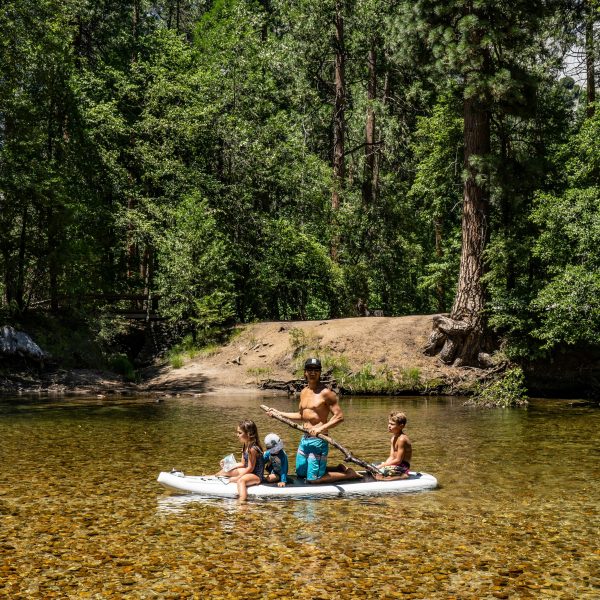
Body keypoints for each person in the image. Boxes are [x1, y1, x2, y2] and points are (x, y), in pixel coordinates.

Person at [268, 357, 360, 484]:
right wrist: (278, 413)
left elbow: (339, 417)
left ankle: (348, 474)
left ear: (320, 372)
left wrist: (320, 429)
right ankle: (337, 468)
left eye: (316, 369)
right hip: (305, 438)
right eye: (310, 369)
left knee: (313, 479)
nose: (312, 372)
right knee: (300, 473)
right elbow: (301, 415)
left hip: (319, 440)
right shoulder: (304, 391)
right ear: (305, 372)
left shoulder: (326, 393)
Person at [216, 419, 265, 501]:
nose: (237, 435)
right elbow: (242, 463)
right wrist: (227, 464)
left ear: (248, 434)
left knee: (241, 481)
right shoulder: (245, 445)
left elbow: (250, 468)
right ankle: (210, 477)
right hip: (248, 470)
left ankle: (242, 501)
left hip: (256, 475)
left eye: (240, 433)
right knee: (225, 471)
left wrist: (237, 477)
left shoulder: (252, 449)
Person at [374, 411, 412, 481]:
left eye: (392, 424)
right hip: (395, 464)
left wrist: (382, 466)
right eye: (389, 423)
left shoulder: (402, 439)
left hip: (403, 466)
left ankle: (403, 475)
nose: (389, 426)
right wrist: (384, 465)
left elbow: (398, 460)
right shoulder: (393, 438)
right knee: (373, 466)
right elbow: (391, 457)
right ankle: (384, 474)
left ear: (401, 426)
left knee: (381, 470)